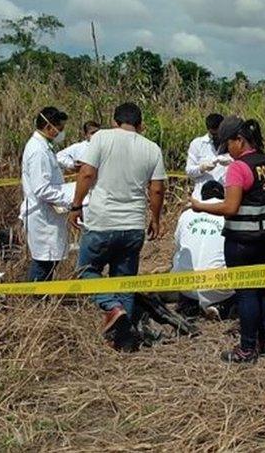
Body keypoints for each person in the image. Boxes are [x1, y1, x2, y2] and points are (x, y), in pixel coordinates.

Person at [69, 102, 167, 351]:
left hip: (102, 221)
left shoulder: (101, 138)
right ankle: (125, 341)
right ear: (140, 124)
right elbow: (156, 188)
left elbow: (87, 174)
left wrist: (76, 205)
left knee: (85, 269)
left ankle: (113, 308)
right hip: (133, 224)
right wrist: (155, 219)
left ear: (114, 122)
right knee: (125, 281)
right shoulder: (152, 148)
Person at [191, 116, 265, 363]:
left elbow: (231, 207)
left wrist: (201, 207)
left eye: (228, 145)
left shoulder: (238, 168)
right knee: (261, 288)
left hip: (244, 240)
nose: (227, 152)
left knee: (246, 293)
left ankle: (247, 348)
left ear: (240, 140)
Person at [20, 107, 74, 282]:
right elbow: (41, 188)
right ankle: (35, 298)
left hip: (48, 213)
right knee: (44, 262)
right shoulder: (37, 151)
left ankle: (41, 296)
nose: (61, 132)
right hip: (42, 215)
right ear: (49, 127)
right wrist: (69, 197)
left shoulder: (45, 147)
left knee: (50, 259)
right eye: (60, 128)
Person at [172, 180, 234, 319]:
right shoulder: (229, 215)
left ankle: (190, 303)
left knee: (178, 255)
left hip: (184, 284)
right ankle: (220, 307)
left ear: (202, 197)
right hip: (218, 286)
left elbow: (177, 244)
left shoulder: (186, 215)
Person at [186, 113, 229, 200]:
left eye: (218, 134)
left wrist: (230, 163)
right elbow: (189, 171)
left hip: (224, 197)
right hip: (201, 197)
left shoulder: (231, 143)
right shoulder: (197, 144)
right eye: (213, 134)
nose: (216, 137)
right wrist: (202, 168)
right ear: (208, 130)